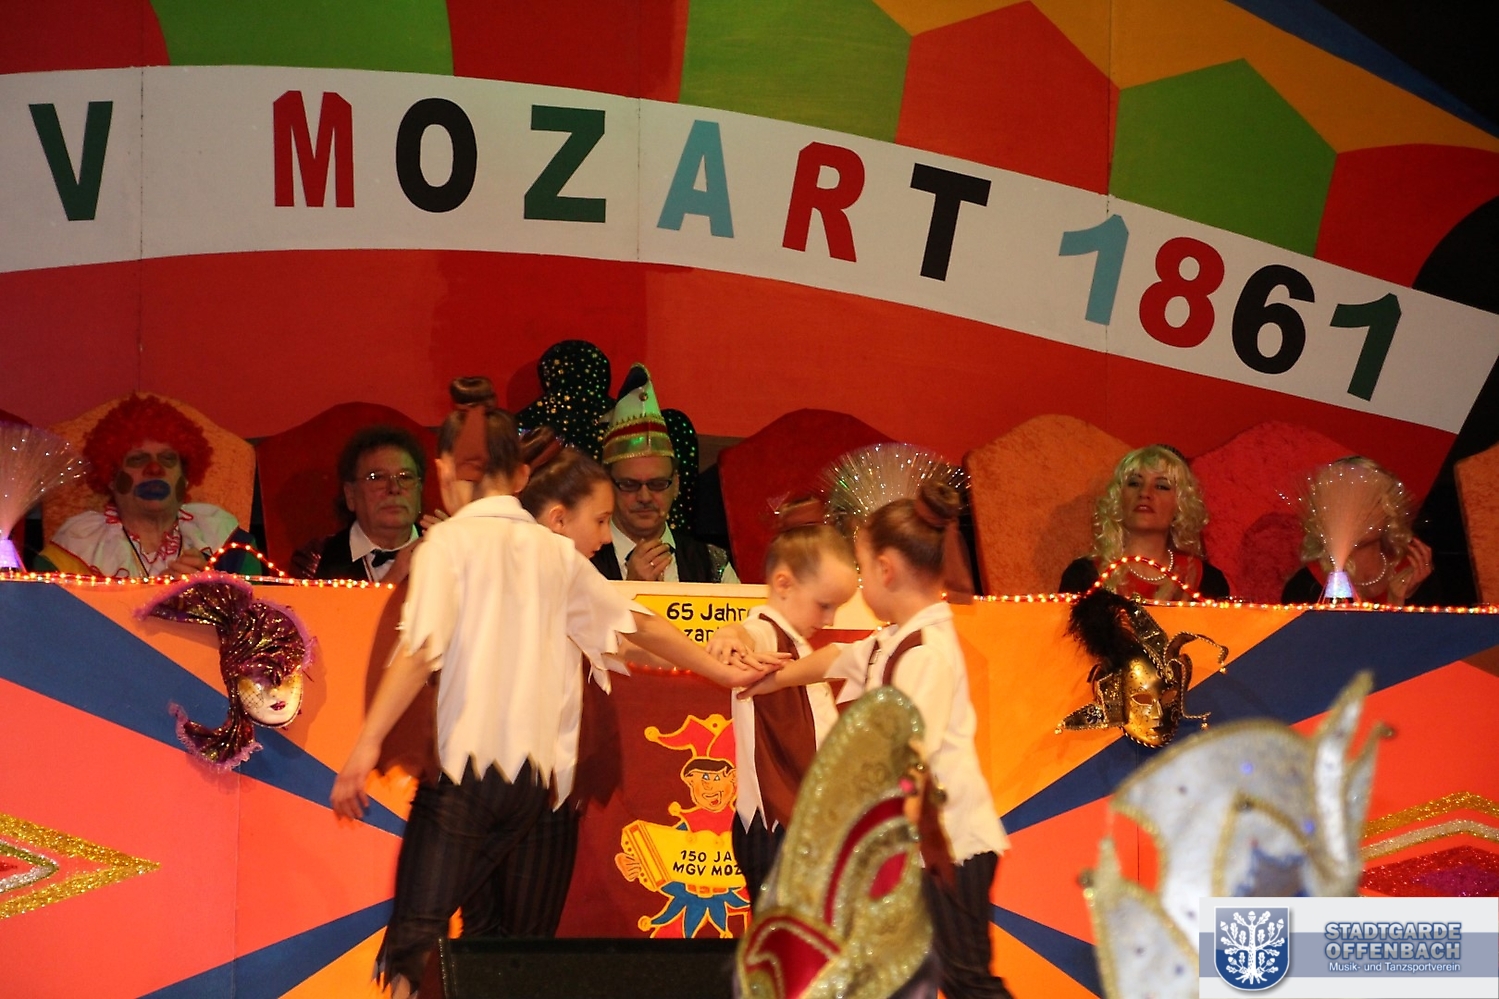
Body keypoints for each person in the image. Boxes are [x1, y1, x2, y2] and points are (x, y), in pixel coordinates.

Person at [329, 399, 776, 999]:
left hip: (470, 776)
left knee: (416, 936)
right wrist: (717, 669)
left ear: (445, 469)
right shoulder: (553, 554)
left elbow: (417, 651)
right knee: (517, 951)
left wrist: (366, 746)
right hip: (542, 788)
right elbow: (637, 626)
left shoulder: (450, 544)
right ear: (519, 477)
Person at [736, 481, 1013, 999]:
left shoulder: (926, 650)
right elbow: (833, 659)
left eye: (862, 568)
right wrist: (771, 679)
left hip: (948, 846)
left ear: (885, 570)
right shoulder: (894, 639)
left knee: (966, 979)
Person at [706, 497, 859, 909]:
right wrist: (730, 635)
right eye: (824, 605)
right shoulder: (767, 633)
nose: (829, 620)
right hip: (778, 828)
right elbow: (747, 633)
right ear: (784, 584)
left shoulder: (797, 644)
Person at [36, 395, 261, 577]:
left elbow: (258, 613)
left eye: (168, 458)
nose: (155, 469)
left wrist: (211, 597)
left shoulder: (225, 540)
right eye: (137, 459)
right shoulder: (77, 545)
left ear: (185, 478)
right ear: (112, 477)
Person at [590, 363, 738, 584]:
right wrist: (632, 591)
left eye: (657, 484)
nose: (644, 497)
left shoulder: (711, 563)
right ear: (608, 485)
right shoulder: (582, 560)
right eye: (630, 484)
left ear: (676, 484)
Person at [1058, 444, 1229, 600]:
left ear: (1180, 505)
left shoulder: (1208, 581)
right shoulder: (1084, 576)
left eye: (1161, 486)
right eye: (1134, 483)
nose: (1145, 493)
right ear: (1118, 499)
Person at [1281, 457, 1436, 605]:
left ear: (1390, 510)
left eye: (1369, 500)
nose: (1359, 513)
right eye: (1345, 503)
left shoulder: (1415, 574)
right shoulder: (1305, 586)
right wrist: (1394, 605)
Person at [292, 426, 427, 584]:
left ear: (420, 490)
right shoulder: (317, 559)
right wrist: (393, 578)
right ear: (350, 495)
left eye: (405, 477)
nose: (394, 488)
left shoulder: (444, 548)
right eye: (377, 477)